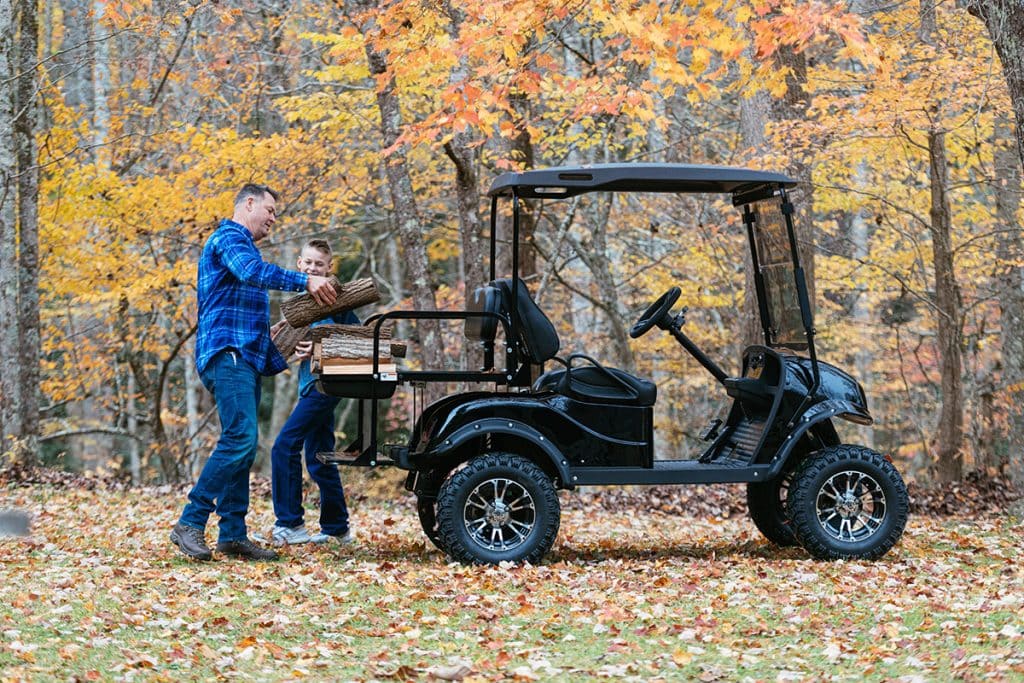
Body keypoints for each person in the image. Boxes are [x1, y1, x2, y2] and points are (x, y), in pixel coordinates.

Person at [170, 184, 337, 561]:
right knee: (241, 437)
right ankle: (190, 522)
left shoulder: (241, 246)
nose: (274, 219)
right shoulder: (228, 238)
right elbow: (252, 272)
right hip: (227, 354)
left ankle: (232, 534)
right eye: (271, 210)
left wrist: (270, 334)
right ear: (249, 204)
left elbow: (237, 300)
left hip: (242, 355)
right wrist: (306, 280)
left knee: (242, 445)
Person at [269, 239, 357, 547]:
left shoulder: (337, 299)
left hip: (327, 386)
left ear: (329, 268)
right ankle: (337, 528)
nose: (312, 268)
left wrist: (319, 348)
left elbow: (359, 343)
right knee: (318, 457)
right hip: (310, 386)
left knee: (283, 446)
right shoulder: (302, 303)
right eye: (307, 263)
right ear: (298, 265)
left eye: (319, 264)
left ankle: (289, 524)